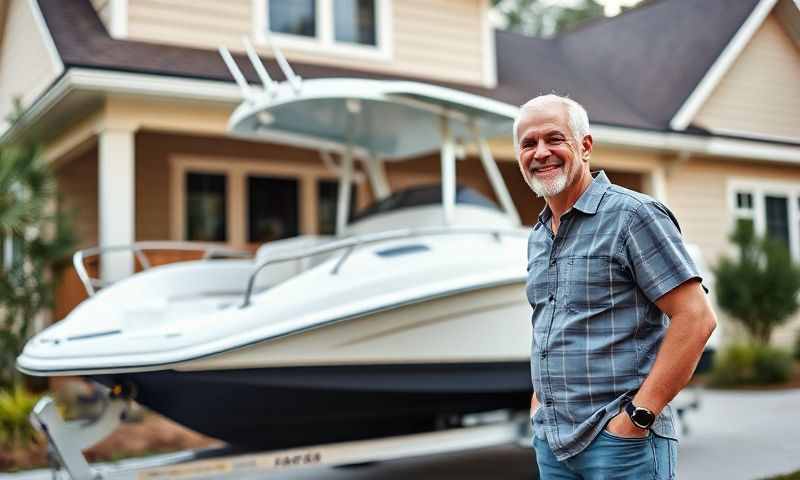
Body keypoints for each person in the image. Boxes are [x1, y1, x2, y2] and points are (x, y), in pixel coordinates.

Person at [515, 94, 717, 479]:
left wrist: (638, 417)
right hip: (553, 444)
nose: (541, 152)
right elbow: (548, 327)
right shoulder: (538, 236)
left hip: (622, 445)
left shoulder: (633, 216)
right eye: (528, 143)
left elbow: (695, 318)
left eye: (554, 139)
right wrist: (539, 406)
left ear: (585, 146)